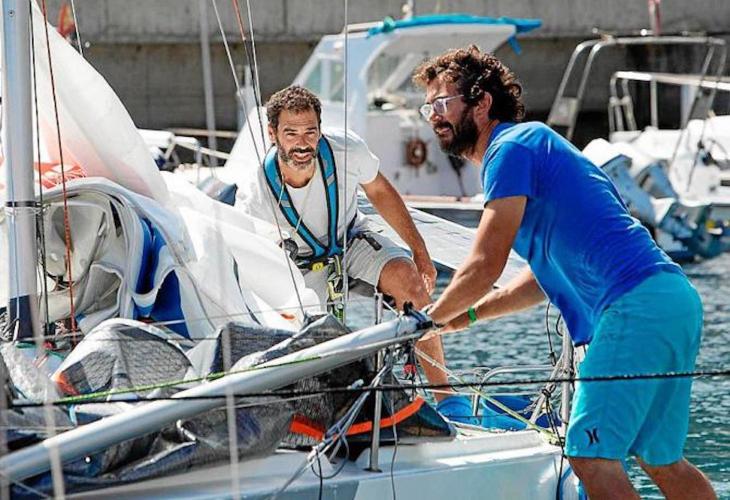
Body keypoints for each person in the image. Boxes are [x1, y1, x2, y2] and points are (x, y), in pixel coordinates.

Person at [413, 46, 716, 499]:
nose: (434, 116)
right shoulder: (534, 144)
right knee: (661, 459)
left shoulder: (509, 149)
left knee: (590, 456)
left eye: (442, 102)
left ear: (482, 102)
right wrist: (469, 315)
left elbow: (483, 264)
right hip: (672, 300)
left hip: (633, 305)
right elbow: (540, 280)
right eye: (428, 107)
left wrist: (423, 322)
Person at [239, 85, 463, 409]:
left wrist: (420, 251)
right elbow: (254, 258)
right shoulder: (255, 192)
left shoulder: (346, 149)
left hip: (350, 240)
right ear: (272, 134)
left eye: (310, 132)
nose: (302, 143)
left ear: (320, 130)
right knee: (309, 341)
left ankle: (447, 399)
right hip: (299, 263)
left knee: (410, 282)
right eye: (291, 133)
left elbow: (380, 192)